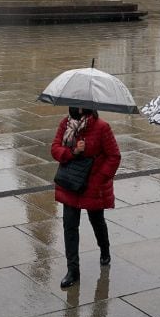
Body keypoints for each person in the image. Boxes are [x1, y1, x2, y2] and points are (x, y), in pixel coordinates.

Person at [50, 107, 121, 290]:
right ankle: (73, 270)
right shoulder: (66, 124)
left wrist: (98, 179)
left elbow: (114, 156)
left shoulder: (101, 127)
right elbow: (55, 149)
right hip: (71, 183)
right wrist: (73, 151)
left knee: (97, 220)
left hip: (92, 184)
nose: (78, 106)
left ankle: (104, 249)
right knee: (70, 226)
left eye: (82, 103)